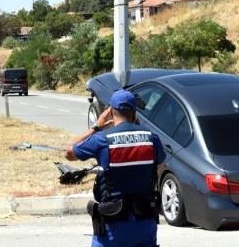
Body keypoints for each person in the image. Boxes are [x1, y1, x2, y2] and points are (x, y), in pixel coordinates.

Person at [65, 89, 166, 247]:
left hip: (113, 225)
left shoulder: (102, 140)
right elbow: (160, 163)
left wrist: (96, 127)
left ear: (110, 111)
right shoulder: (152, 138)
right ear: (134, 112)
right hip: (145, 222)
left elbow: (69, 152)